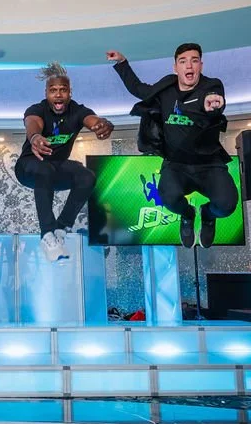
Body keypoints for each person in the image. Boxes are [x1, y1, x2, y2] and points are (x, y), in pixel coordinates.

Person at [107, 43, 237, 248]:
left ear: (200, 66)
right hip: (176, 165)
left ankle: (207, 215)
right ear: (175, 67)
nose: (189, 66)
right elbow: (140, 90)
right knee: (168, 199)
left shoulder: (211, 86)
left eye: (194, 61)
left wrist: (213, 104)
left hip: (209, 164)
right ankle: (188, 215)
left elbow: (214, 100)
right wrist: (122, 63)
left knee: (226, 206)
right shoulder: (165, 89)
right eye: (183, 61)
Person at [15, 62, 113, 261]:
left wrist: (104, 124)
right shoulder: (37, 109)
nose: (58, 95)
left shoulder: (77, 111)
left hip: (55, 170)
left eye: (63, 90)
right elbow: (32, 123)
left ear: (70, 92)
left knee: (87, 176)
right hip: (29, 167)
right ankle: (47, 234)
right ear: (46, 93)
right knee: (44, 169)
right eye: (53, 91)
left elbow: (93, 120)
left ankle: (62, 227)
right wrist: (35, 138)